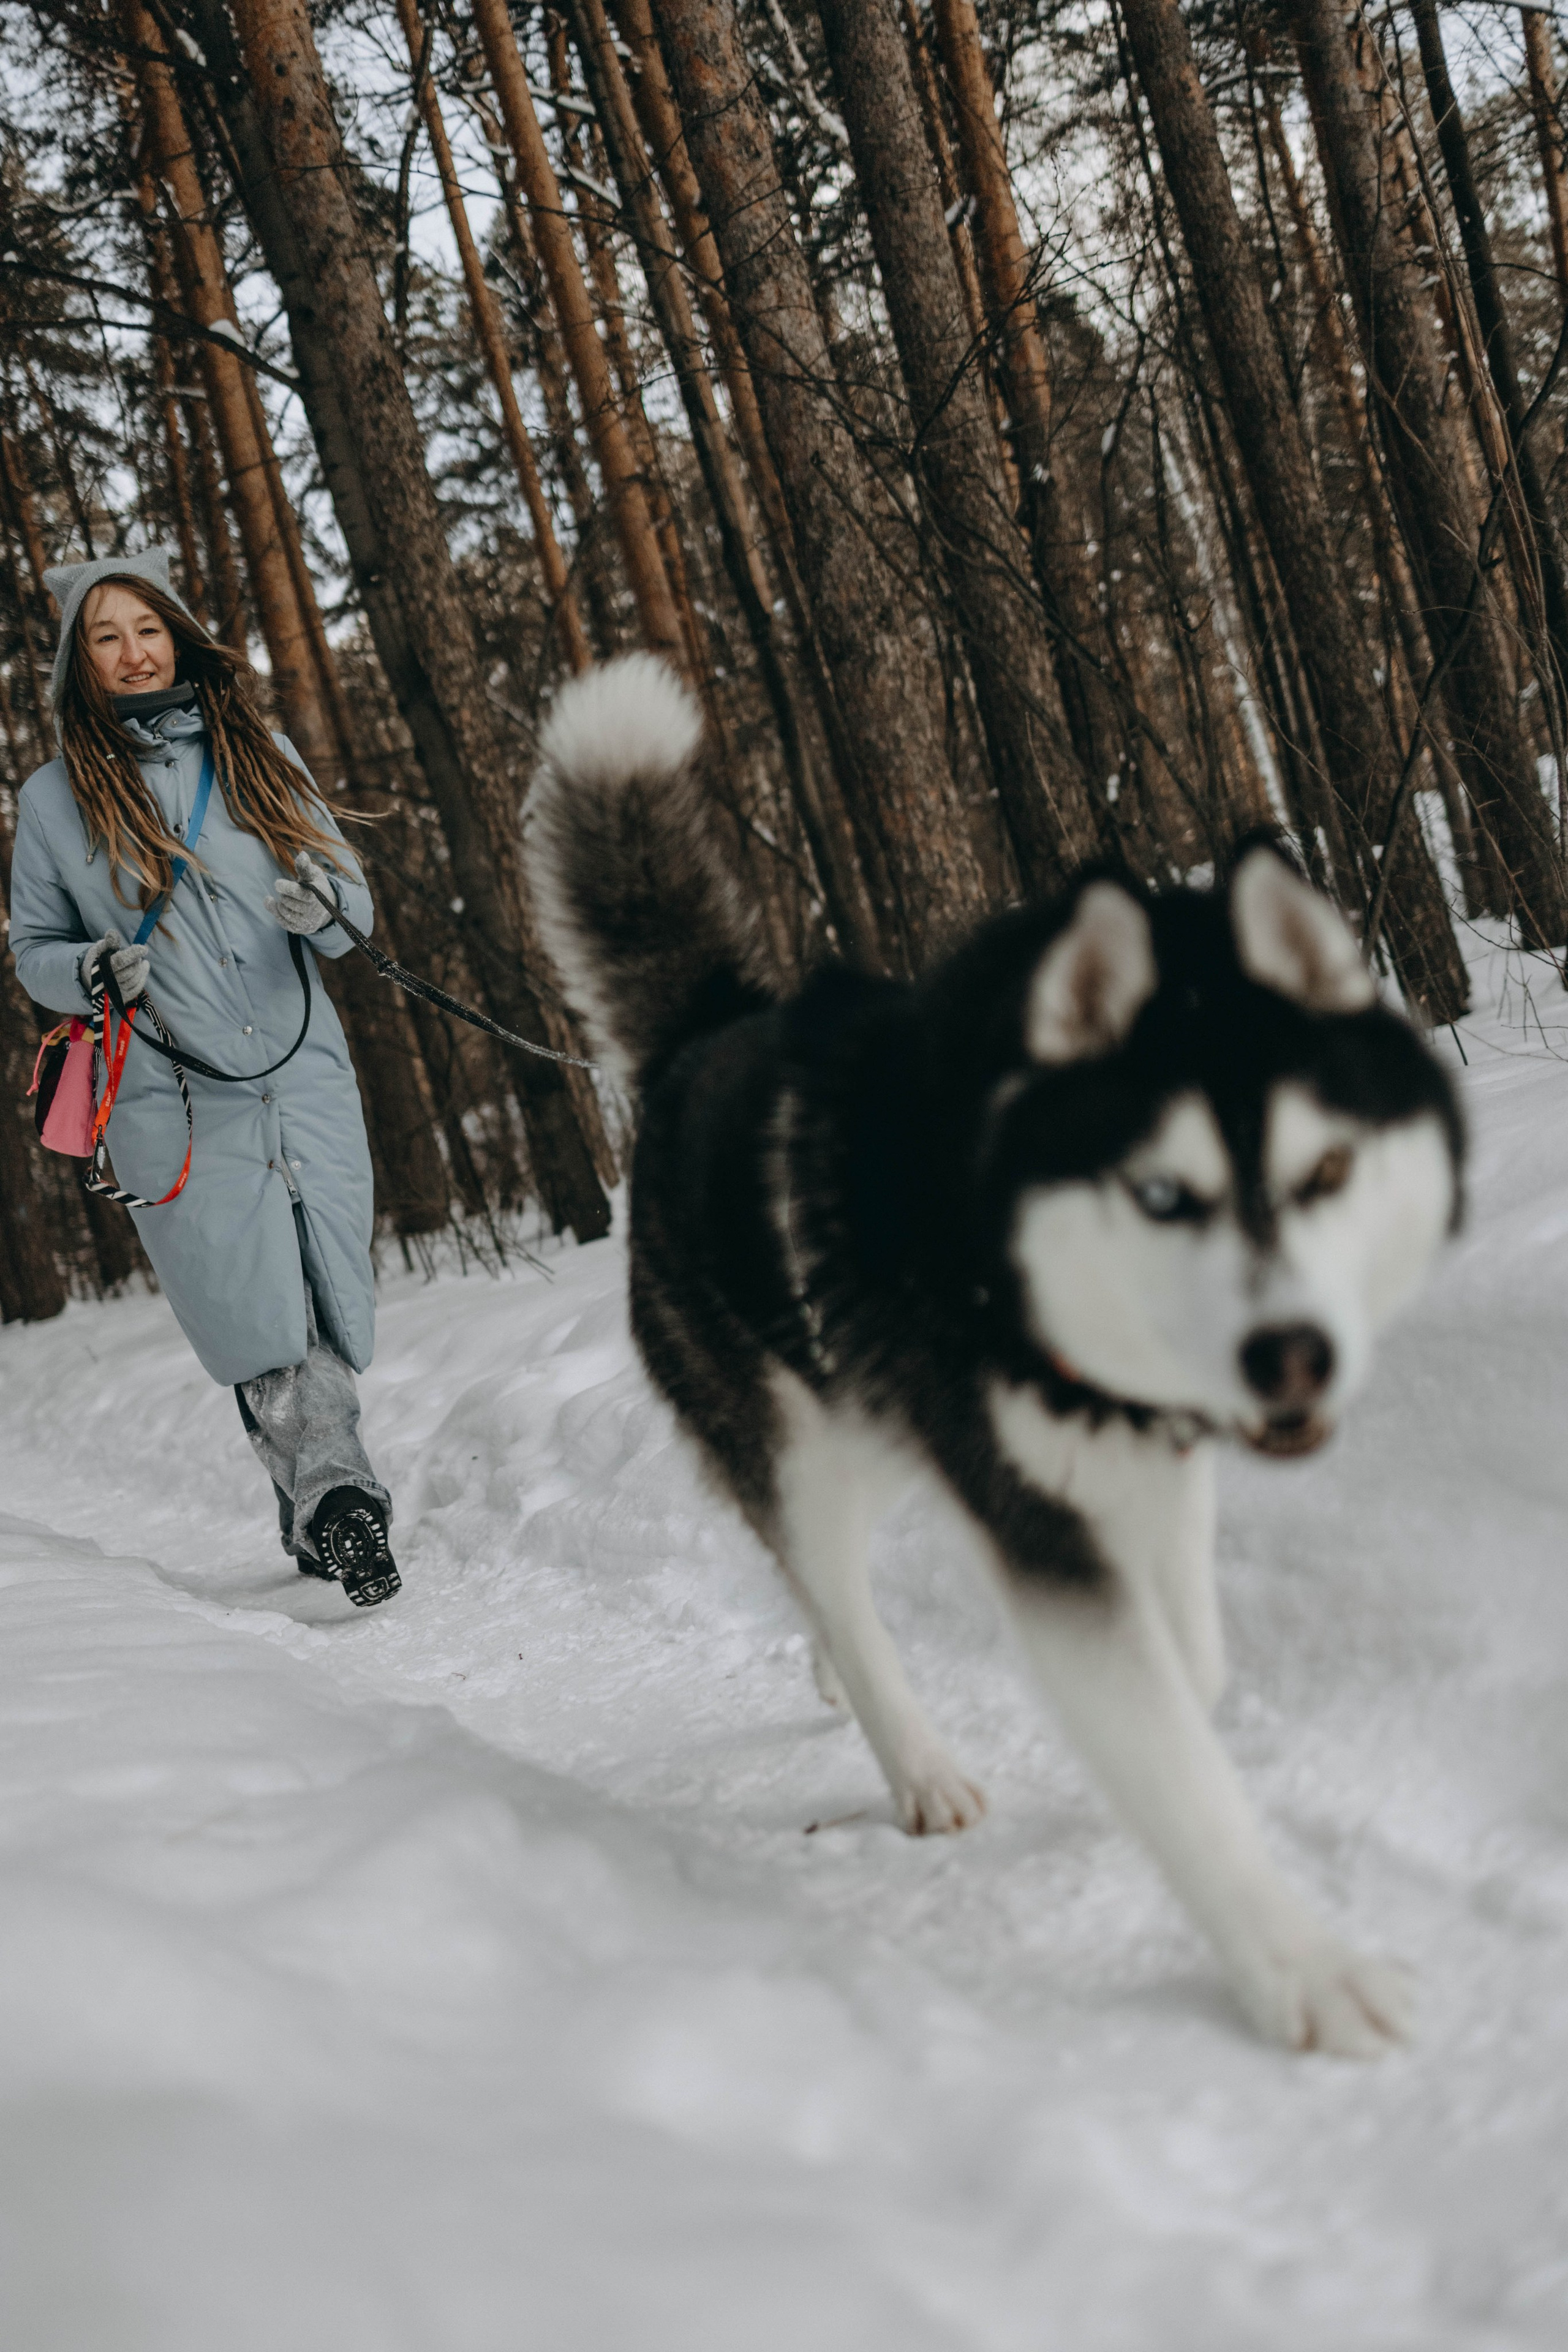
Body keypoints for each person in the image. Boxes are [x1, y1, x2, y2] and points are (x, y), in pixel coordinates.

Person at [8, 548, 400, 1608]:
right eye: (107, 637)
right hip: (170, 1096)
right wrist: (89, 967)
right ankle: (342, 1502)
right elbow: (34, 947)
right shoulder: (53, 800)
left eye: (147, 629)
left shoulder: (260, 754)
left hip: (299, 1069)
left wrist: (325, 910)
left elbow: (352, 906)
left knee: (317, 1286)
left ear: (178, 635)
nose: (134, 653)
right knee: (254, 1306)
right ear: (77, 665)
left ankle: (313, 1496)